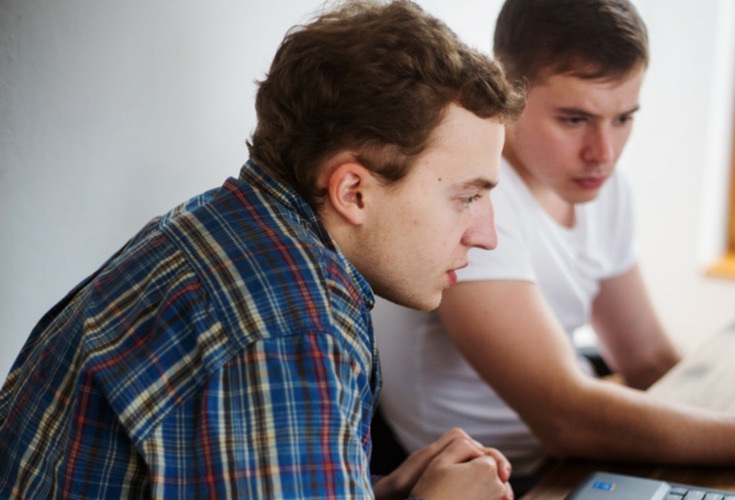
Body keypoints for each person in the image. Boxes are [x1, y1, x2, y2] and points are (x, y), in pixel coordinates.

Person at [372, 0, 735, 492]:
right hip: (497, 478)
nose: (604, 152)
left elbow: (646, 359)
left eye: (623, 118)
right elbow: (564, 416)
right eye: (574, 119)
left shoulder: (603, 190)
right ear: (505, 87)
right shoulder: (476, 207)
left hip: (577, 457)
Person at [0, 1, 525, 498]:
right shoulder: (288, 326)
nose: (486, 234)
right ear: (353, 192)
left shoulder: (223, 225)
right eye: (467, 196)